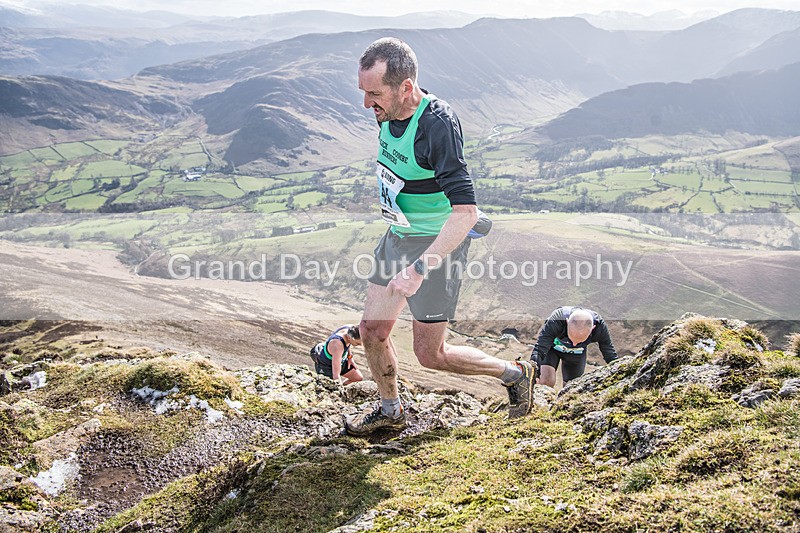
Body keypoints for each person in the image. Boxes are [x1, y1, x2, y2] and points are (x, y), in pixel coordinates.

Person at [344, 37, 535, 436]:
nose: (367, 105)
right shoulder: (387, 111)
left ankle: (514, 374)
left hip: (435, 247)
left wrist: (418, 269)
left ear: (406, 88)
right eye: (364, 93)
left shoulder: (436, 125)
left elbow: (465, 214)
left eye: (374, 94)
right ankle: (390, 410)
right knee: (373, 332)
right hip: (398, 234)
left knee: (431, 355)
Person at [530, 306, 618, 387]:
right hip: (552, 349)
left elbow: (609, 353)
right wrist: (534, 375)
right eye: (572, 339)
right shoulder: (557, 320)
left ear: (592, 329)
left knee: (570, 388)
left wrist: (620, 373)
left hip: (576, 355)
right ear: (567, 322)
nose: (574, 344)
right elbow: (539, 350)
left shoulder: (599, 327)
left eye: (579, 341)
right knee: (546, 381)